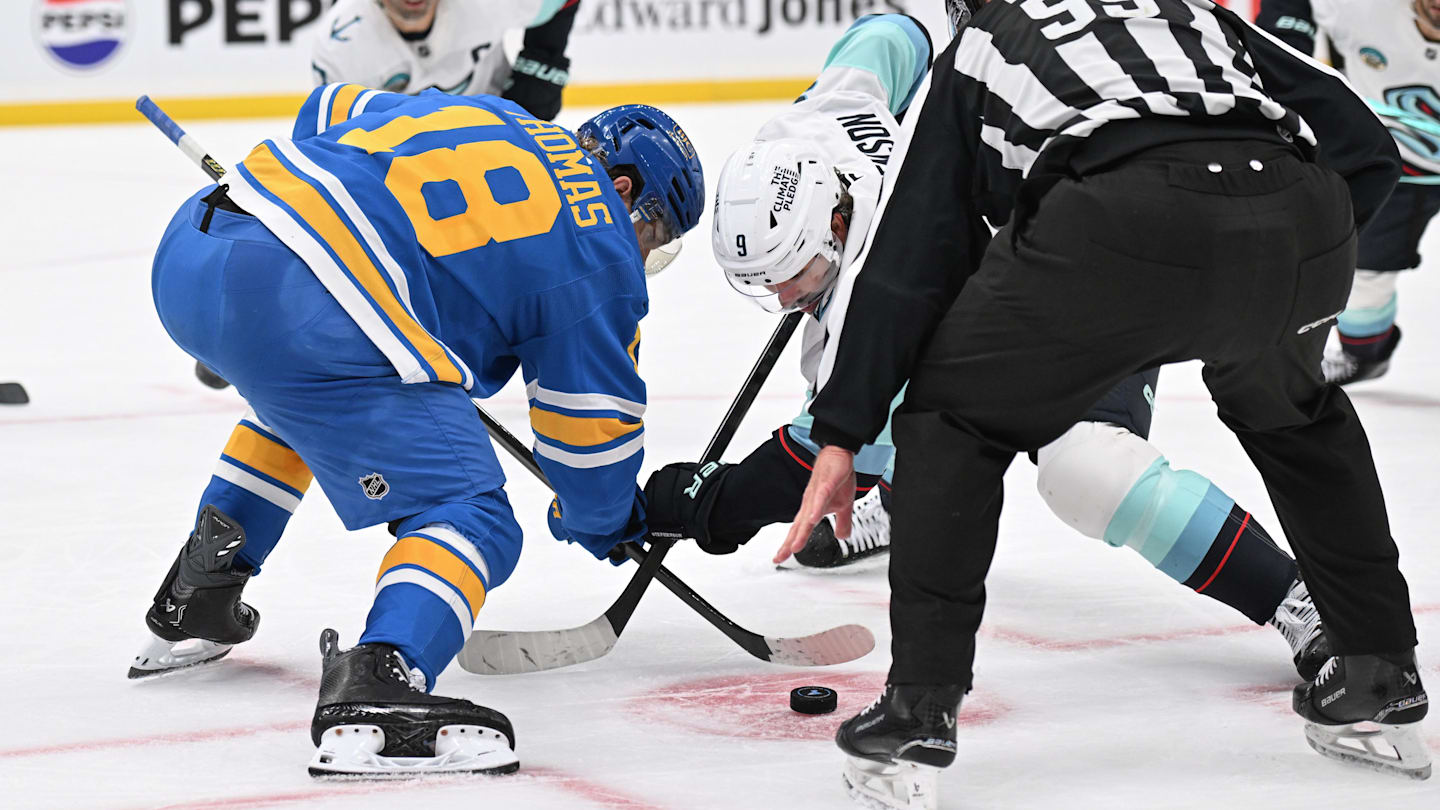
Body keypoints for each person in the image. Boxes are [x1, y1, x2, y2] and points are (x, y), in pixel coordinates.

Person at [779, 0, 1429, 804]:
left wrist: (843, 429)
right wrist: (1286, 280)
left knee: (953, 414)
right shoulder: (1190, 13)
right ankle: (1378, 669)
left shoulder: (983, 41)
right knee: (1296, 409)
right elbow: (1367, 145)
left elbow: (913, 255)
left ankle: (920, 707)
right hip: (1297, 219)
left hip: (1122, 225)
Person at [644, 13, 1328, 683]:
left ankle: (1297, 597)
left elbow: (814, 452)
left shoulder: (865, 289)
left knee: (1087, 468)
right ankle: (897, 491)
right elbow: (891, 35)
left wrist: (715, 503)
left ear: (839, 222)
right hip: (1026, 249)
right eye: (769, 287)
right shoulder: (813, 128)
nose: (789, 300)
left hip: (1102, 280)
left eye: (799, 279)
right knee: (877, 380)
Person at [130, 82, 704, 777]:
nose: (643, 252)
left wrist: (275, 254)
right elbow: (591, 441)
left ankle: (201, 591)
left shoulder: (500, 113)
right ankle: (381, 679)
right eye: (654, 232)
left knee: (317, 403)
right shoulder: (601, 247)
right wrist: (604, 520)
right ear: (622, 186)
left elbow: (330, 107)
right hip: (301, 305)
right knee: (474, 514)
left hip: (199, 243)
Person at [1257, 0, 1440, 384]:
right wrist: (1287, 32)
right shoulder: (1352, 6)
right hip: (1398, 163)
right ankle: (1366, 353)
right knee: (1360, 270)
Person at [314, 0, 579, 117]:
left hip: (497, 134)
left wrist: (542, 60)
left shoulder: (486, 4)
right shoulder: (339, 48)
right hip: (403, 160)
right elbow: (340, 145)